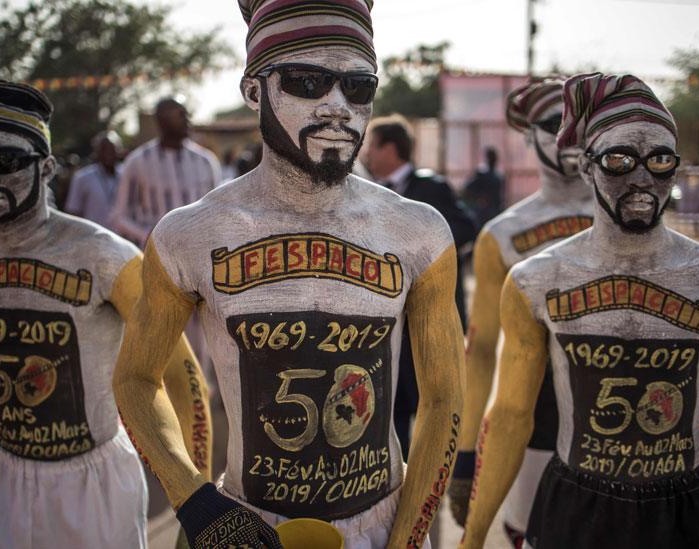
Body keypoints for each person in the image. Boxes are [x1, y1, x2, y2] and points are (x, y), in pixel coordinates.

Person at [113, 1, 464, 547]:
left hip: (382, 518)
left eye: (358, 87)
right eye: (307, 82)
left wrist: (408, 536)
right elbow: (135, 378)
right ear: (254, 90)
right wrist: (197, 503)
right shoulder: (189, 234)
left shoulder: (418, 232)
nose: (337, 108)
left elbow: (444, 398)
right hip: (250, 522)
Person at [461, 73, 699, 549]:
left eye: (660, 160)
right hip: (575, 503)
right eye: (619, 161)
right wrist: (472, 534)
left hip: (682, 507)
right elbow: (512, 412)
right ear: (588, 166)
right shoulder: (536, 279)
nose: (641, 179)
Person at [0, 79, 210, 549]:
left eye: (4, 162)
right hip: (2, 477)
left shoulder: (105, 258)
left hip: (93, 483)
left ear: (47, 167)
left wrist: (195, 502)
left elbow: (182, 374)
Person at [447, 79, 594, 547]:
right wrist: (467, 454)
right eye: (555, 125)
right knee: (533, 536)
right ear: (529, 137)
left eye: (582, 123)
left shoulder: (633, 216)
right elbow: (482, 350)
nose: (570, 136)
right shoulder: (503, 236)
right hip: (537, 422)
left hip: (632, 428)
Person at [361, 113, 477, 459]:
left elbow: (466, 229)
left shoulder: (432, 187)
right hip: (389, 321)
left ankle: (429, 477)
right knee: (389, 403)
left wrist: (417, 249)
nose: (366, 154)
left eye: (372, 146)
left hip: (427, 320)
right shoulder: (369, 194)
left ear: (391, 149)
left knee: (433, 400)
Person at [110, 95, 221, 247]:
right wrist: (147, 236)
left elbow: (218, 209)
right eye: (180, 115)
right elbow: (119, 216)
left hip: (198, 254)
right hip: (155, 257)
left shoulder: (206, 161)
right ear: (161, 121)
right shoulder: (137, 162)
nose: (187, 120)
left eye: (186, 114)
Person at [65, 131, 122, 228]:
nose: (108, 153)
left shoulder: (126, 176)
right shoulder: (82, 177)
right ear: (96, 152)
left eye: (112, 149)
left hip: (122, 239)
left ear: (118, 150)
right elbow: (73, 212)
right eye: (104, 149)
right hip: (92, 239)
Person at [462, 147, 505, 227]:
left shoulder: (498, 175)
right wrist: (479, 198)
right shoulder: (483, 174)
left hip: (494, 211)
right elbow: (468, 188)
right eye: (492, 157)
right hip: (484, 211)